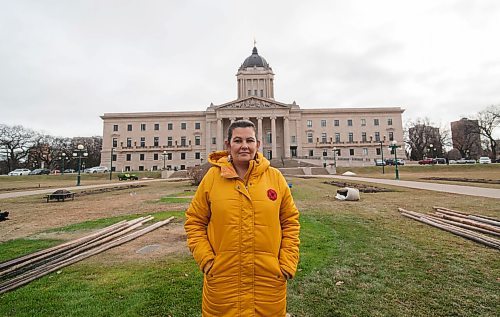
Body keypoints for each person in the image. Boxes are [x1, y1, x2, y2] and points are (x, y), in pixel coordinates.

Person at [185, 119, 300, 316]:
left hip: (268, 280)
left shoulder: (275, 178)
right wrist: (207, 261)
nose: (244, 146)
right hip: (224, 280)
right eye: (238, 140)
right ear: (228, 145)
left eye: (249, 140)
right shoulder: (212, 178)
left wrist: (287, 263)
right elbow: (194, 222)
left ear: (258, 145)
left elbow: (290, 222)